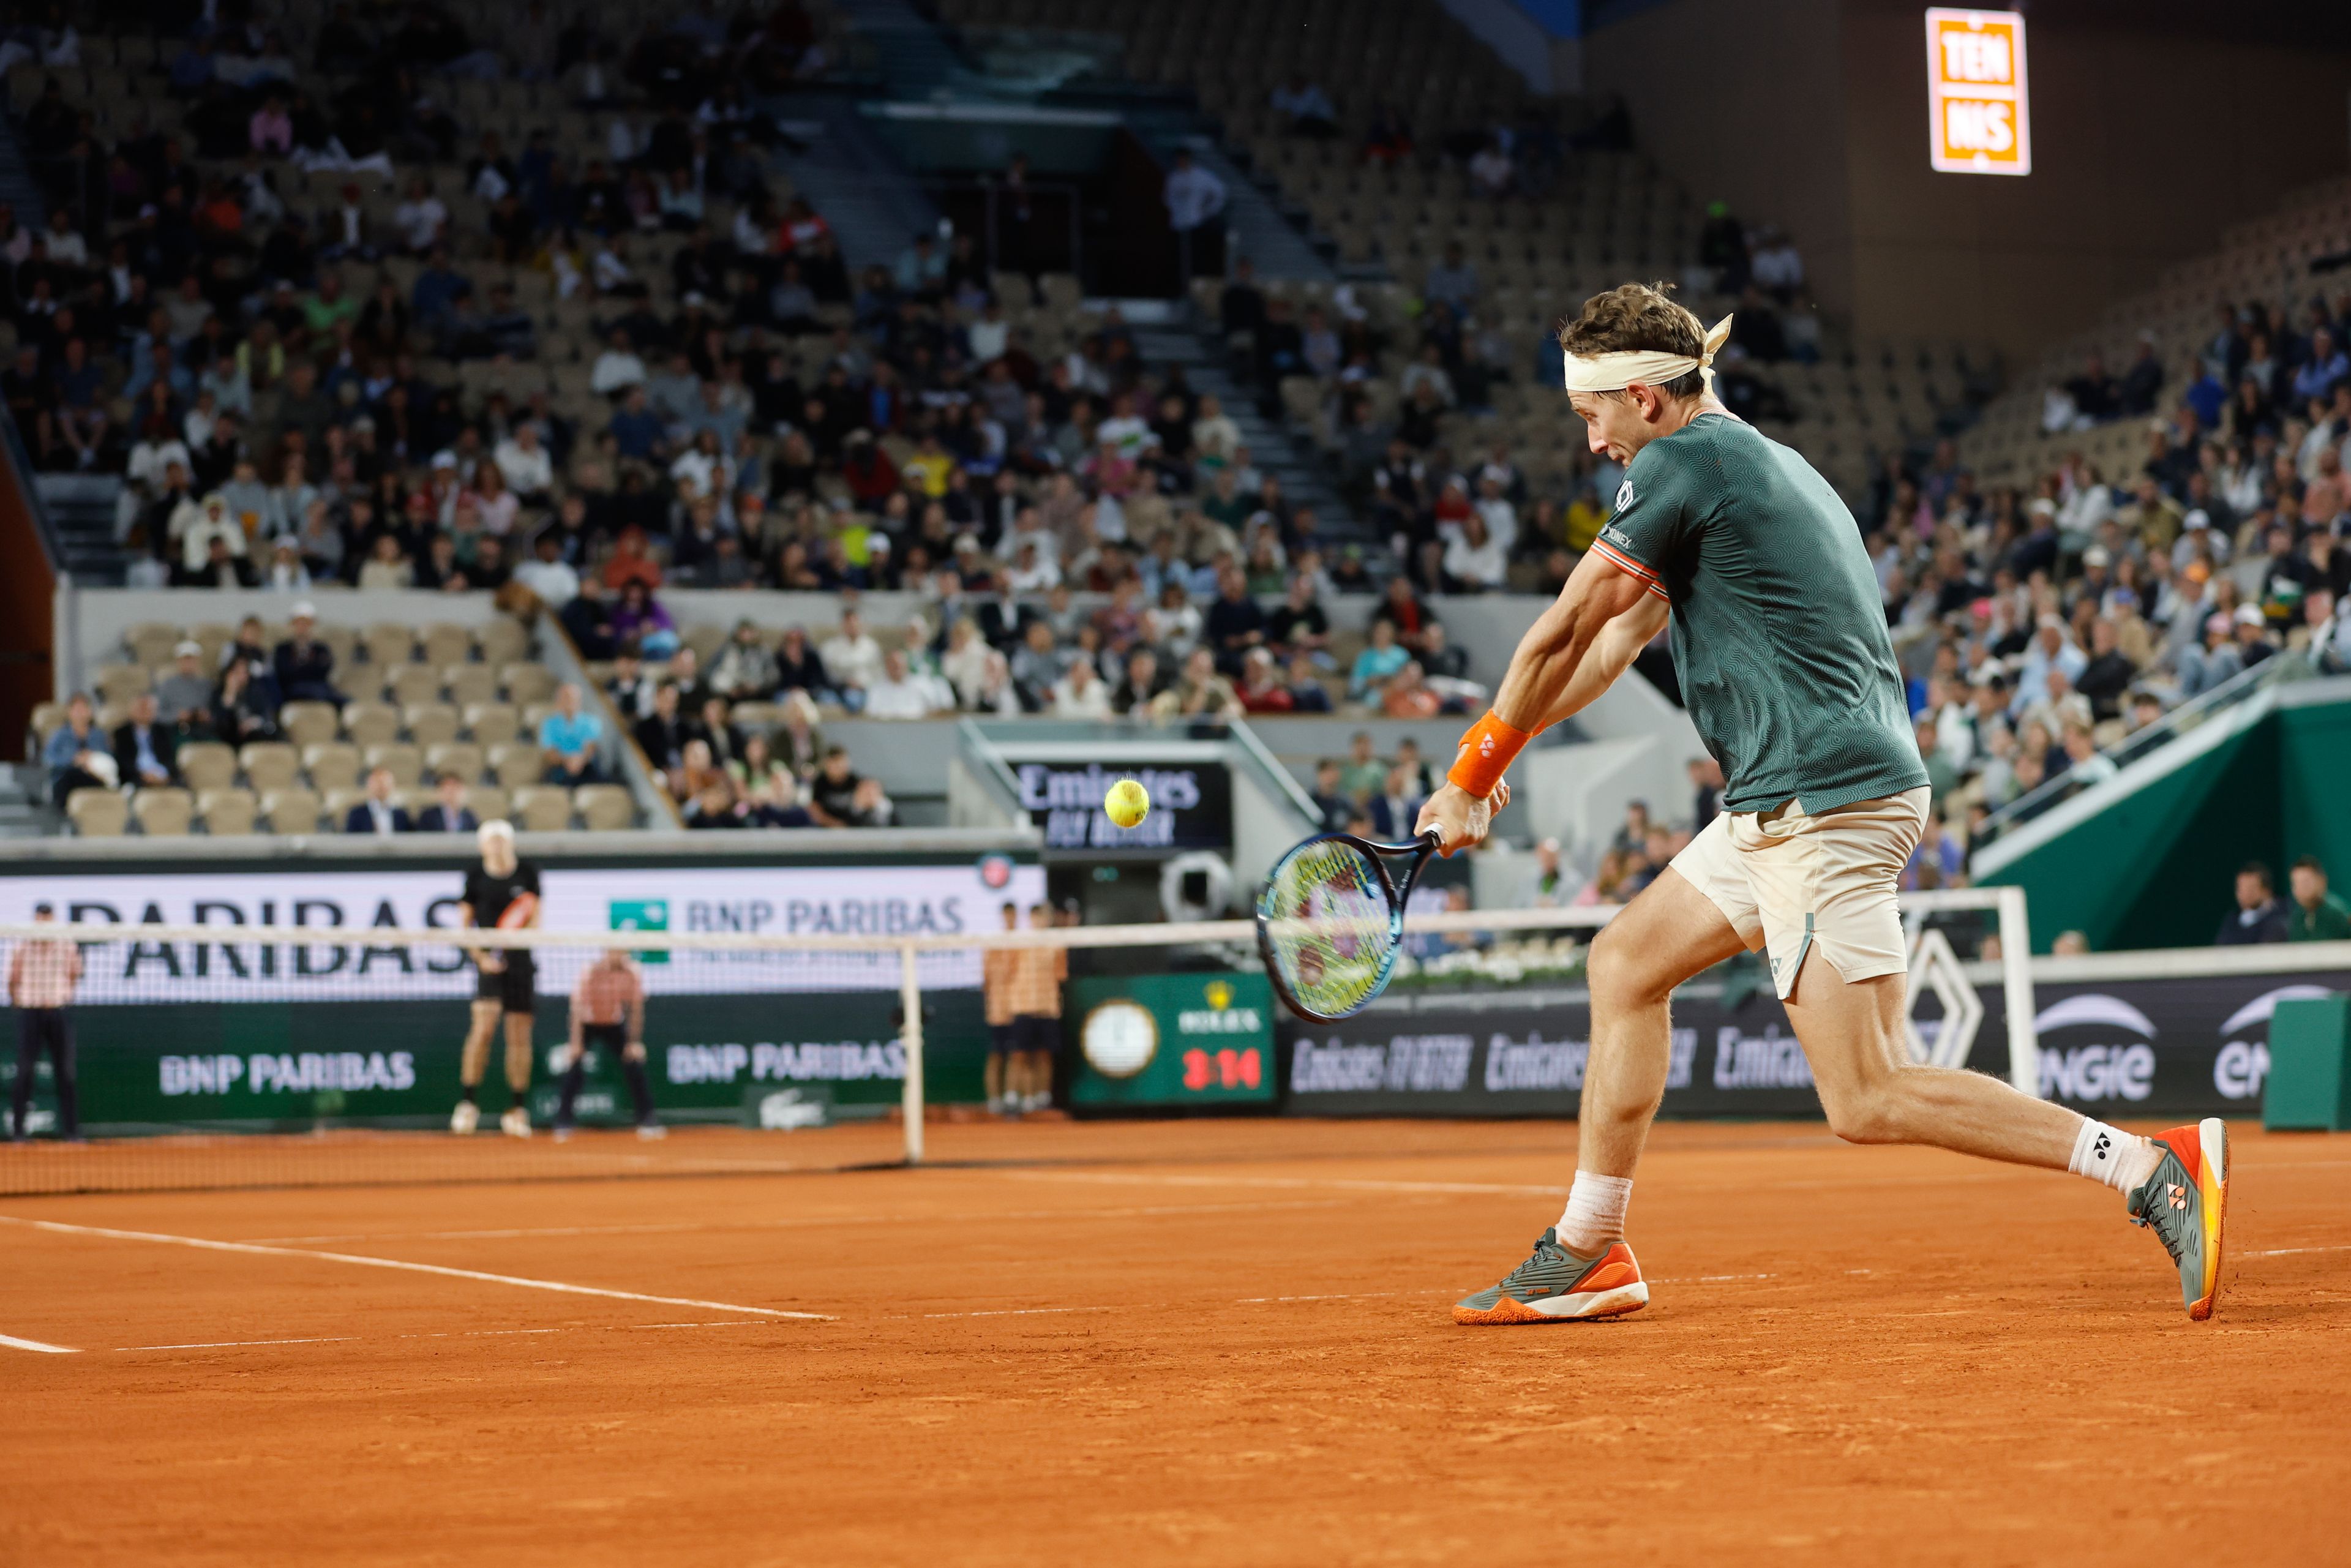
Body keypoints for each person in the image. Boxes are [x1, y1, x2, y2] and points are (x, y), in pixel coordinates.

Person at [1422, 281, 2228, 1327]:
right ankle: (1590, 1248)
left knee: (1869, 1093)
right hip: (1798, 791)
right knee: (1625, 964)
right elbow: (1616, 643)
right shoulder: (1745, 464)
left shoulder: (1686, 464)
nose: (1591, 444)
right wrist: (1507, 752)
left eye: (1594, 416)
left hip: (1819, 795)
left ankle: (2153, 1165)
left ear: (1649, 402)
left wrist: (1471, 775)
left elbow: (1568, 628)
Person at [451, 821, 541, 1138]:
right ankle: (468, 1104)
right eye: (492, 841)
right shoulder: (475, 876)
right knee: (483, 1030)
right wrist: (483, 958)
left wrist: (514, 944)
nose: (498, 846)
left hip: (520, 965)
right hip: (488, 967)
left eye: (503, 840)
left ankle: (517, 1110)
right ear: (483, 846)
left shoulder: (527, 873)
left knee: (518, 1037)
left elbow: (534, 919)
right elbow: (465, 926)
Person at [554, 949, 663, 1139]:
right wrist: (576, 1043)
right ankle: (564, 1122)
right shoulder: (591, 972)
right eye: (614, 951)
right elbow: (577, 1009)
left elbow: (635, 1011)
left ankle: (647, 1120)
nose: (618, 956)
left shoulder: (632, 973)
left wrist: (633, 1043)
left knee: (634, 1066)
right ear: (606, 953)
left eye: (621, 952)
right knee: (574, 1068)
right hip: (588, 1023)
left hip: (614, 1025)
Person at [8, 903, 81, 1141]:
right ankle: (19, 1132)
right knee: (25, 1071)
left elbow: (74, 974)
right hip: (31, 1013)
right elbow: (13, 979)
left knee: (66, 1072)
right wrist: (20, 1001)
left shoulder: (66, 946)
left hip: (58, 1012)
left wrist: (63, 997)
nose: (44, 924)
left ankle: (71, 1131)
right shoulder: (23, 947)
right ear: (36, 921)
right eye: (41, 920)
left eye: (48, 919)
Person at [1003, 901, 1067, 1116]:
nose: (1039, 921)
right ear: (1030, 919)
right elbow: (1009, 973)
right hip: (1023, 1006)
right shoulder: (1019, 942)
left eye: (1043, 917)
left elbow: (1061, 974)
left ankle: (1042, 1098)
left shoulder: (1056, 944)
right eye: (1036, 917)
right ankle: (1014, 1098)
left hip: (1047, 1007)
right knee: (1019, 1054)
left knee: (1044, 1054)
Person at [980, 901, 1021, 1117]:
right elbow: (986, 980)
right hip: (997, 1011)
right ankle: (994, 1101)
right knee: (996, 1055)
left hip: (1019, 1008)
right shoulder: (994, 945)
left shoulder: (1025, 943)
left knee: (1017, 1054)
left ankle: (1012, 1098)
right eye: (1007, 914)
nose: (1010, 918)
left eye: (1013, 914)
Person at [538, 682, 607, 783]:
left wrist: (579, 760)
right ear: (558, 701)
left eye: (572, 698)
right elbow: (550, 752)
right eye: (565, 698)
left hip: (585, 766)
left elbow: (591, 748)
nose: (569, 702)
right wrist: (567, 761)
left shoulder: (591, 722)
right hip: (561, 766)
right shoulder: (549, 724)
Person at [112, 693, 179, 789]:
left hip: (162, 776)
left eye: (148, 708)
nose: (144, 712)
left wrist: (161, 774)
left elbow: (170, 758)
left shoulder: (163, 731)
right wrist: (143, 776)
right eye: (140, 708)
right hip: (136, 778)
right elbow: (123, 762)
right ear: (132, 710)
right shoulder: (122, 733)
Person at [2214, 861, 2289, 946]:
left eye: (2250, 888)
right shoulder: (2232, 919)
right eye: (2241, 888)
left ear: (2266, 890)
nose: (2244, 894)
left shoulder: (2281, 915)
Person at [2287, 856, 2351, 942]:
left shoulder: (2338, 915)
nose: (2300, 888)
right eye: (2295, 883)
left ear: (2322, 881)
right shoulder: (2297, 917)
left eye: (2305, 882)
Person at [344, 765, 411, 835]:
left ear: (392, 786)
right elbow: (349, 840)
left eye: (385, 783)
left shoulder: (402, 815)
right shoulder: (356, 814)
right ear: (369, 786)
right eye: (377, 783)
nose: (381, 787)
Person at [413, 771, 479, 833]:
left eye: (455, 786)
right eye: (447, 787)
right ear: (439, 790)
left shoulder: (469, 816)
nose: (451, 791)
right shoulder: (428, 816)